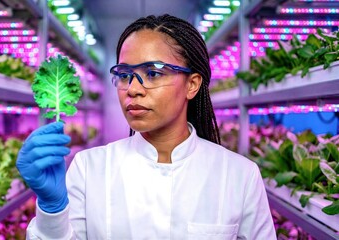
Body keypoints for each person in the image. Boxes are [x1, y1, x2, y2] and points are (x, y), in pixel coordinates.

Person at [16, 14, 276, 239]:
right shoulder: (89, 168)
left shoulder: (240, 175)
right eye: (125, 75)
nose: (133, 89)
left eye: (153, 73)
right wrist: (52, 209)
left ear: (192, 84)